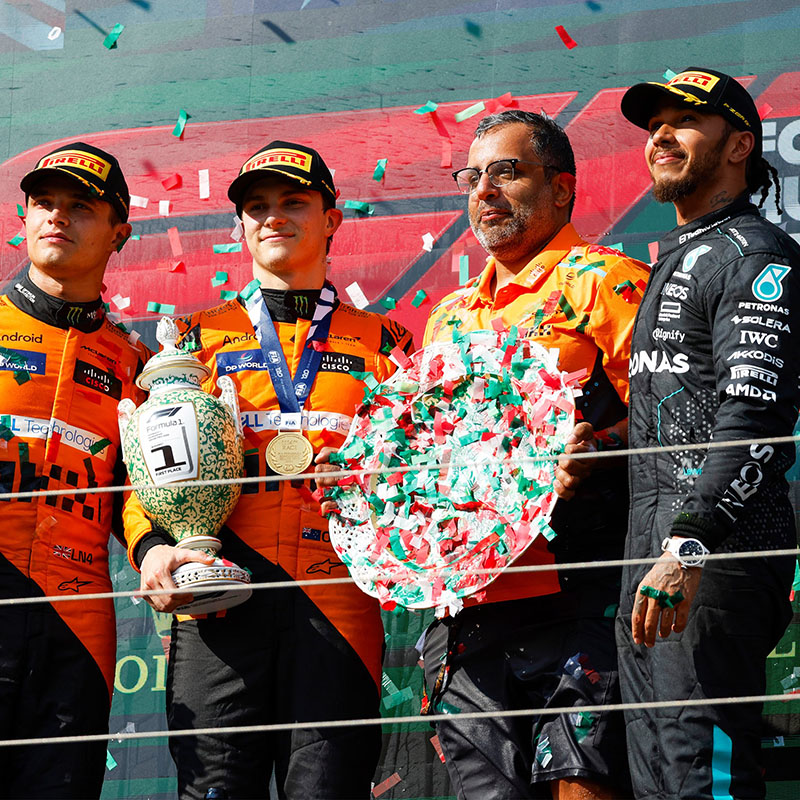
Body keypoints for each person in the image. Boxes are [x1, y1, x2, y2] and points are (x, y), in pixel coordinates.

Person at [123, 140, 414, 799]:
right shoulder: (193, 340)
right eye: (256, 207)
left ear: (332, 219)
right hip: (217, 594)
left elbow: (418, 470)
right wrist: (151, 546)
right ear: (240, 226)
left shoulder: (387, 341)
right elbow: (147, 471)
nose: (273, 216)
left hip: (339, 599)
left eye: (293, 202)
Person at [420, 110, 650, 800]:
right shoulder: (447, 316)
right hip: (468, 609)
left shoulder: (607, 282)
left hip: (583, 592)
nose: (484, 190)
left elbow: (671, 421)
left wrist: (599, 451)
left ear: (562, 188)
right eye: (472, 177)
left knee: (582, 787)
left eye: (506, 172)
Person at [617, 67, 800, 799]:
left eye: (685, 120)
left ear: (739, 145)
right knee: (660, 783)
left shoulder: (755, 255)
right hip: (651, 556)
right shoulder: (683, 254)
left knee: (704, 783)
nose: (661, 134)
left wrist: (687, 548)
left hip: (708, 560)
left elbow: (756, 417)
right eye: (653, 124)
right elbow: (671, 413)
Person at [0, 142, 148, 797]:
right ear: (23, 218)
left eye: (80, 206)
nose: (57, 216)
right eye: (44, 202)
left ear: (120, 232)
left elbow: (141, 497)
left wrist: (155, 550)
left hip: (77, 626)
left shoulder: (132, 363)